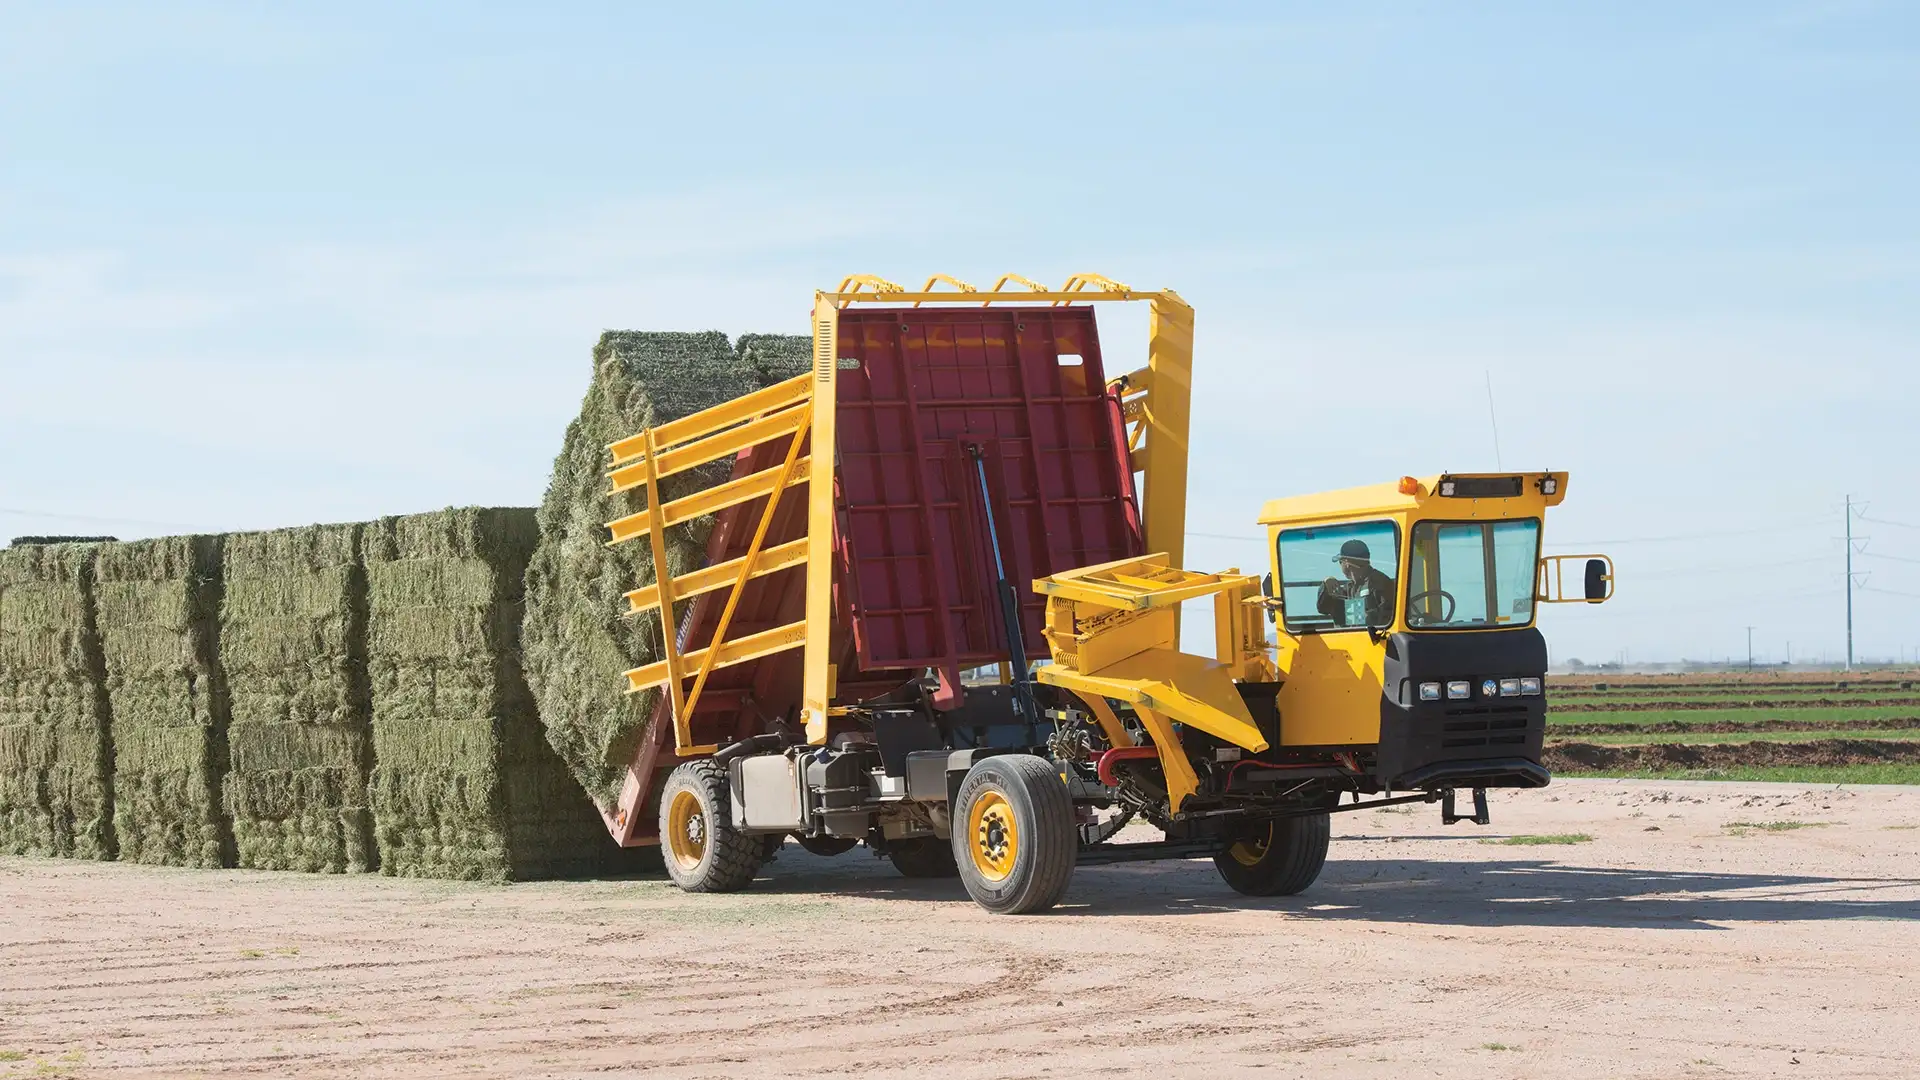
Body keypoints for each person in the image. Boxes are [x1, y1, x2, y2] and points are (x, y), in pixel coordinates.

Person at [1316, 539, 1396, 627]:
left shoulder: (1380, 583)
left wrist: (1352, 617)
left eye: (1340, 562)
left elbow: (1386, 618)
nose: (1340, 565)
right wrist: (1326, 586)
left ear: (1346, 562)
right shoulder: (1350, 588)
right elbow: (1324, 608)